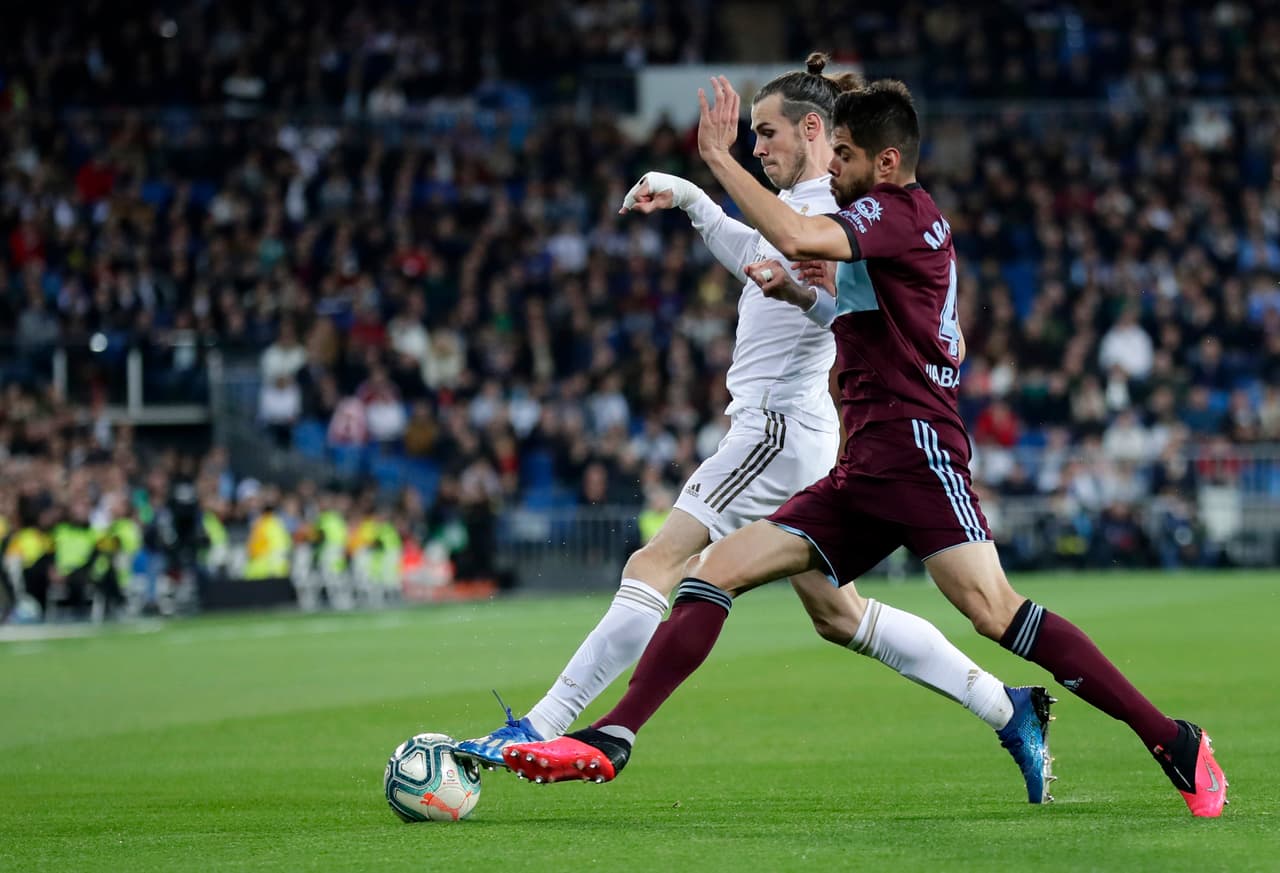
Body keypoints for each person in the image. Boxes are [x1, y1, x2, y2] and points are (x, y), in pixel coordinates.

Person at [507, 76, 1228, 819]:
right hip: (861, 465)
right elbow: (868, 304)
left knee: (995, 611)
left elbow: (792, 237)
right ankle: (614, 735)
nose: (834, 168)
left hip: (917, 453)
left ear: (883, 162)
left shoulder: (895, 211)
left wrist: (715, 165)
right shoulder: (885, 221)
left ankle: (1172, 737)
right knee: (716, 572)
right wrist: (799, 293)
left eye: (844, 154)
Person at [459, 56, 1056, 804]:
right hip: (805, 435)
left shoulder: (824, 211)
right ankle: (1009, 707)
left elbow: (815, 275)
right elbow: (768, 260)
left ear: (815, 132)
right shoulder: (810, 208)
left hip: (776, 427)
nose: (756, 147)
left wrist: (708, 180)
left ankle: (544, 724)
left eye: (767, 132)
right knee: (841, 616)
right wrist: (687, 199)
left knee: (660, 559)